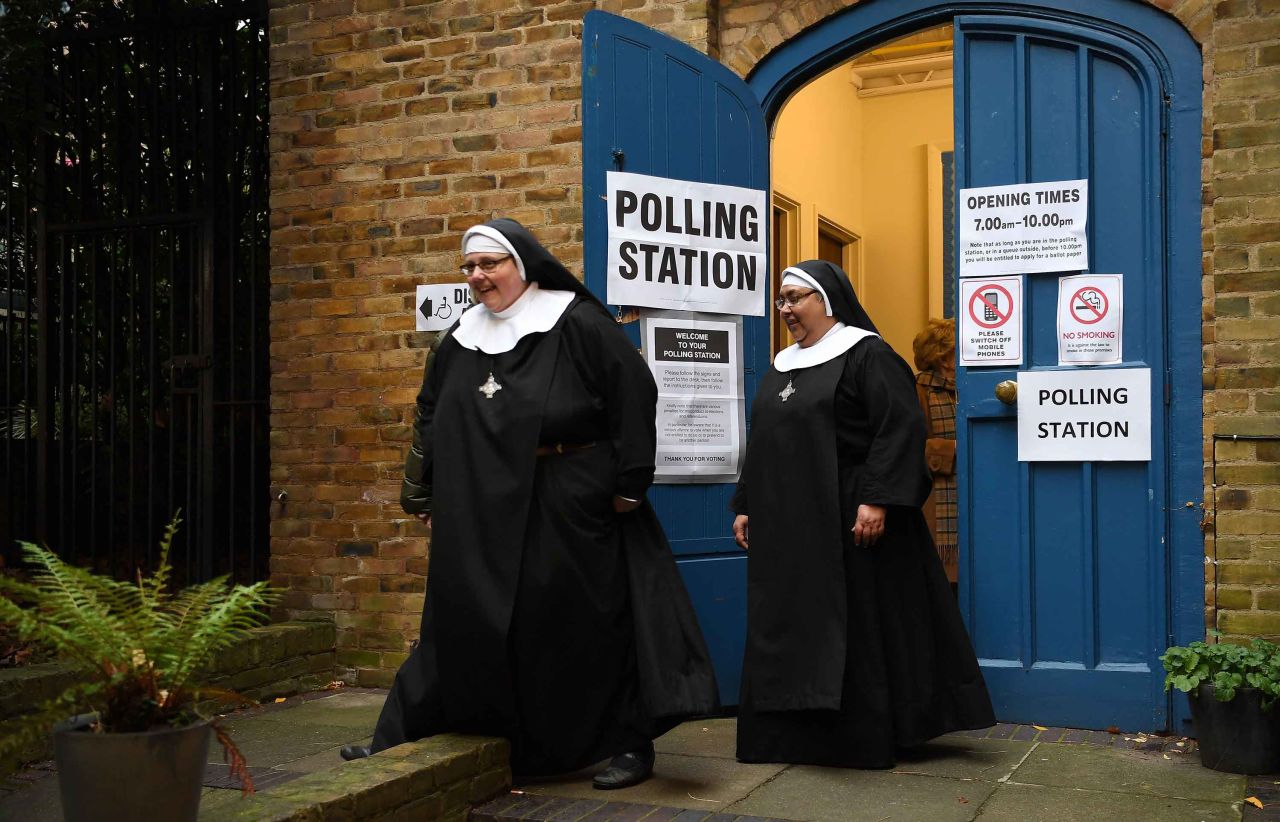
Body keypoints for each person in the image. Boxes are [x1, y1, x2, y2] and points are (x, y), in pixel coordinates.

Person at [342, 218, 719, 789]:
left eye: (489, 263)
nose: (477, 276)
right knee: (463, 612)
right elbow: (430, 412)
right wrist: (422, 489)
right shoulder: (461, 335)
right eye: (468, 266)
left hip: (569, 493)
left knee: (587, 619)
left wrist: (627, 485)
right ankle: (405, 732)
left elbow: (635, 395)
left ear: (522, 264)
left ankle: (626, 744)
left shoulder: (578, 323)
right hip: (481, 500)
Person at [731, 260, 994, 768]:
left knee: (856, 624)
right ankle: (791, 734)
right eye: (780, 300)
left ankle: (860, 735)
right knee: (788, 622)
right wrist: (746, 505)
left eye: (794, 298)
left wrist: (877, 498)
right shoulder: (783, 364)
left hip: (852, 514)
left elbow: (898, 429)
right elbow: (765, 440)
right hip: (790, 520)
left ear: (826, 299)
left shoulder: (868, 355)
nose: (784, 309)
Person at [912, 318, 958, 586]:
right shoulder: (917, 389)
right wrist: (958, 450)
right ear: (943, 357)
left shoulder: (969, 390)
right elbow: (909, 447)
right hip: (936, 503)